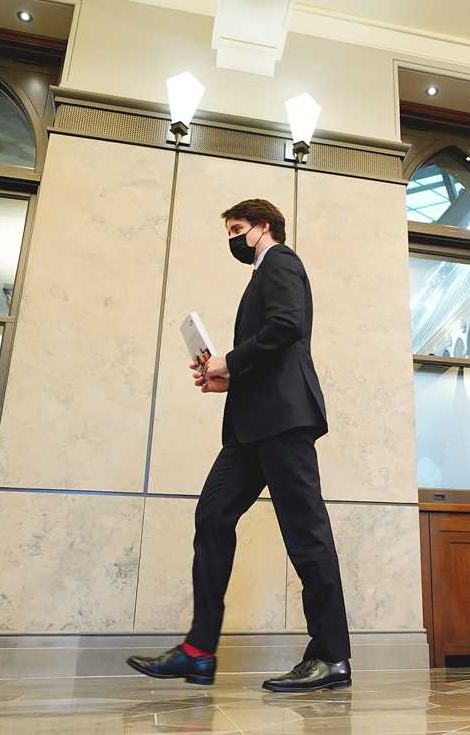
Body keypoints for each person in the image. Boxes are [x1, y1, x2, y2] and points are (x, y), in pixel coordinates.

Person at [127, 199, 352, 693]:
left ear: (263, 227)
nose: (232, 237)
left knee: (305, 533)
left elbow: (287, 327)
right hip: (252, 425)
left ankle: (332, 657)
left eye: (237, 228)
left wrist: (226, 360)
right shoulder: (260, 274)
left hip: (284, 421)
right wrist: (225, 379)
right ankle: (197, 651)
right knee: (212, 515)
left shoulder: (281, 261)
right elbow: (271, 349)